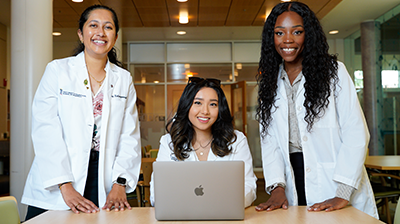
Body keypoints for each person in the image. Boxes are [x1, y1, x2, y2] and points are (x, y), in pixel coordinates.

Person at [254, 2, 378, 218]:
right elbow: (269, 140)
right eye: (279, 33)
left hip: (335, 179)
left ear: (308, 35)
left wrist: (343, 192)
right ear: (271, 38)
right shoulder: (270, 82)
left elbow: (356, 132)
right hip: (292, 179)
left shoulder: (334, 73)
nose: (288, 40)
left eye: (297, 32)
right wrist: (277, 187)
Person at [21, 4, 141, 220]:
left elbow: (129, 135)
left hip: (102, 177)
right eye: (93, 25)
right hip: (56, 178)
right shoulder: (57, 70)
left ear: (114, 37)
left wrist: (120, 182)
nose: (100, 33)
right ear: (80, 33)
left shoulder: (123, 79)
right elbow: (45, 129)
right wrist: (64, 185)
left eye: (108, 27)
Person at [149, 77, 257, 207]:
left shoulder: (236, 141)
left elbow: (248, 186)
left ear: (220, 109)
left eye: (213, 104)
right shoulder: (169, 142)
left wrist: (224, 205)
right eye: (198, 103)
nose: (205, 111)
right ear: (187, 105)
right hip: (182, 217)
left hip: (224, 215)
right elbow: (156, 193)